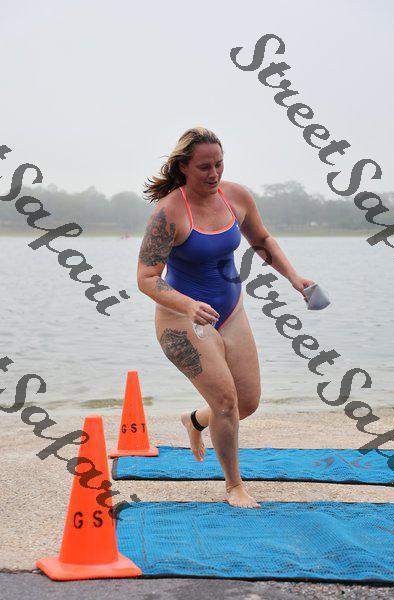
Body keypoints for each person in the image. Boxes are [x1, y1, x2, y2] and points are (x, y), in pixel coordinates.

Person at [137, 127, 314, 508]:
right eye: (205, 167)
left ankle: (194, 420)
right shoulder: (169, 212)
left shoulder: (236, 197)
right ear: (184, 167)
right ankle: (234, 486)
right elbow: (146, 278)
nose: (214, 173)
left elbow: (262, 240)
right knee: (225, 403)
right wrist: (187, 305)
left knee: (246, 402)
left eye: (219, 164)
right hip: (181, 319)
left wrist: (294, 278)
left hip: (230, 311)